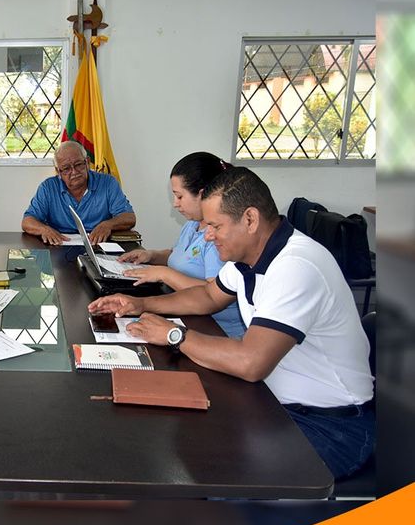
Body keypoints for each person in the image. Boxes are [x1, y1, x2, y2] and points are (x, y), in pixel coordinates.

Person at [88, 167, 374, 479]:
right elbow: (208, 296)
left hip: (330, 426)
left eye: (215, 226)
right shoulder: (249, 256)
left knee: (211, 471)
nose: (207, 235)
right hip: (273, 402)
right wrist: (141, 305)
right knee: (173, 434)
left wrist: (174, 335)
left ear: (250, 219)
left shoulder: (296, 267)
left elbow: (250, 362)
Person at [116, 151, 245, 338]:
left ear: (202, 194)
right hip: (185, 312)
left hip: (215, 329)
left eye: (179, 196)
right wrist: (152, 255)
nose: (175, 204)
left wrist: (164, 274)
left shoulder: (218, 238)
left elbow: (212, 294)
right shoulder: (192, 224)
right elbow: (179, 256)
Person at [21, 141, 136, 245]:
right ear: (58, 171)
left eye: (78, 164)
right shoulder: (48, 188)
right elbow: (27, 221)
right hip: (60, 246)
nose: (74, 172)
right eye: (66, 168)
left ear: (87, 162)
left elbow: (129, 217)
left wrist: (108, 225)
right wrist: (44, 229)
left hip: (98, 245)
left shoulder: (108, 183)